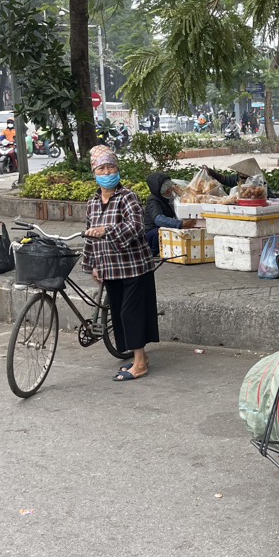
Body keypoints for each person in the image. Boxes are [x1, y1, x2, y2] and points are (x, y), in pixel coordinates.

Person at [80, 146, 159, 381]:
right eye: (101, 168)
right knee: (118, 312)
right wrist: (93, 264)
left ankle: (139, 364)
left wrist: (108, 230)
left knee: (130, 313)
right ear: (94, 172)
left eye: (111, 166)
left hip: (134, 265)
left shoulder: (127, 197)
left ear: (117, 169)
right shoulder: (93, 202)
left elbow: (136, 226)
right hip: (109, 267)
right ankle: (140, 357)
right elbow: (90, 234)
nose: (107, 172)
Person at [143, 172, 194, 253]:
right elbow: (158, 219)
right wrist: (181, 224)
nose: (169, 191)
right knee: (160, 231)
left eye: (170, 188)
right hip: (151, 234)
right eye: (166, 189)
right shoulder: (153, 200)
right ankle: (153, 252)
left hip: (161, 231)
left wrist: (180, 193)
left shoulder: (168, 198)